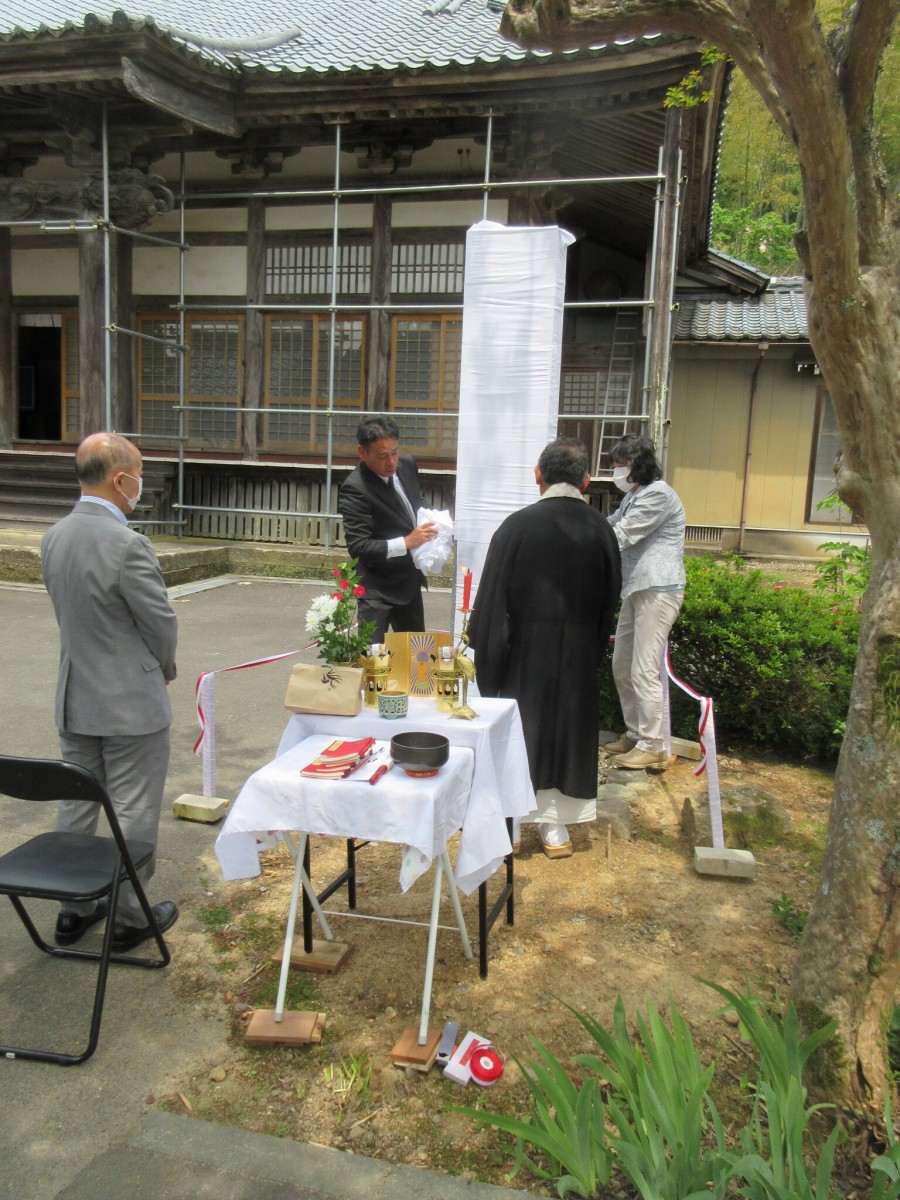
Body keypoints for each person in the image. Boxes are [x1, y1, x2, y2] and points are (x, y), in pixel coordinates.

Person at [41, 431, 180, 952]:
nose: (140, 484)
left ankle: (71, 909)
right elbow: (160, 623)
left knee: (76, 802)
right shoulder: (127, 544)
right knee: (132, 808)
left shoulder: (54, 536)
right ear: (121, 479)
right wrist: (162, 667)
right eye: (138, 474)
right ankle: (127, 915)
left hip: (75, 693)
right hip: (129, 701)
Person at [468, 438, 621, 859]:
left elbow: (492, 600)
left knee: (522, 731)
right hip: (578, 649)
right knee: (566, 734)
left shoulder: (516, 527)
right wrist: (591, 649)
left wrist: (490, 659)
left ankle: (510, 828)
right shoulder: (601, 530)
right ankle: (556, 829)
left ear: (538, 476)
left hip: (523, 649)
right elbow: (611, 602)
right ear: (586, 481)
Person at [603, 434, 686, 771]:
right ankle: (636, 733)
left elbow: (621, 535)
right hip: (636, 589)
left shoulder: (659, 496)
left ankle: (652, 745)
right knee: (622, 665)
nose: (616, 472)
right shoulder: (635, 495)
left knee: (643, 668)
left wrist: (581, 541)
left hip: (658, 588)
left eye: (620, 465)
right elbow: (610, 524)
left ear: (637, 465)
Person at [338, 414, 437, 640]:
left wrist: (437, 521)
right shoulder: (355, 488)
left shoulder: (406, 465)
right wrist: (405, 542)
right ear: (362, 453)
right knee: (373, 662)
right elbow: (359, 546)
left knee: (416, 658)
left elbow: (415, 502)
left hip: (408, 582)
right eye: (383, 456)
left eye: (394, 452)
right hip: (376, 590)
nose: (391, 462)